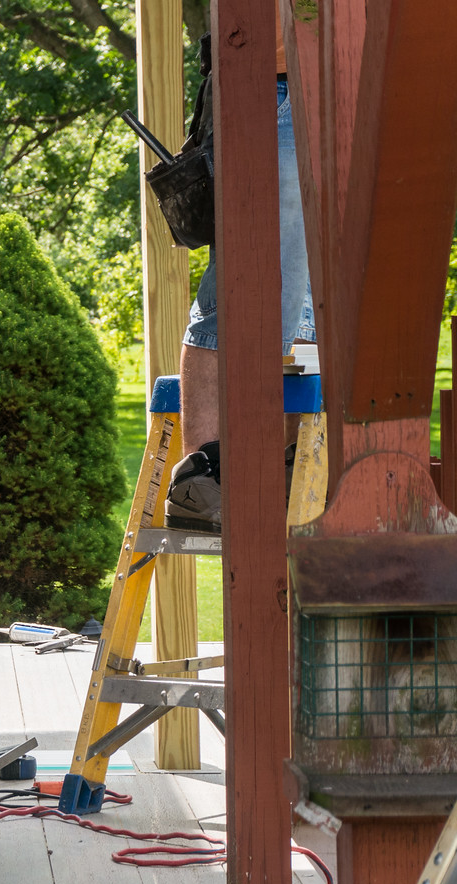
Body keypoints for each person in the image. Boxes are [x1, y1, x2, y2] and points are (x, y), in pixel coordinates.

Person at [165, 2, 315, 533]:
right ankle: (201, 474)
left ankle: (294, 467)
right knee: (251, 288)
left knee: (309, 304)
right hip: (270, 83)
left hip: (332, 87)